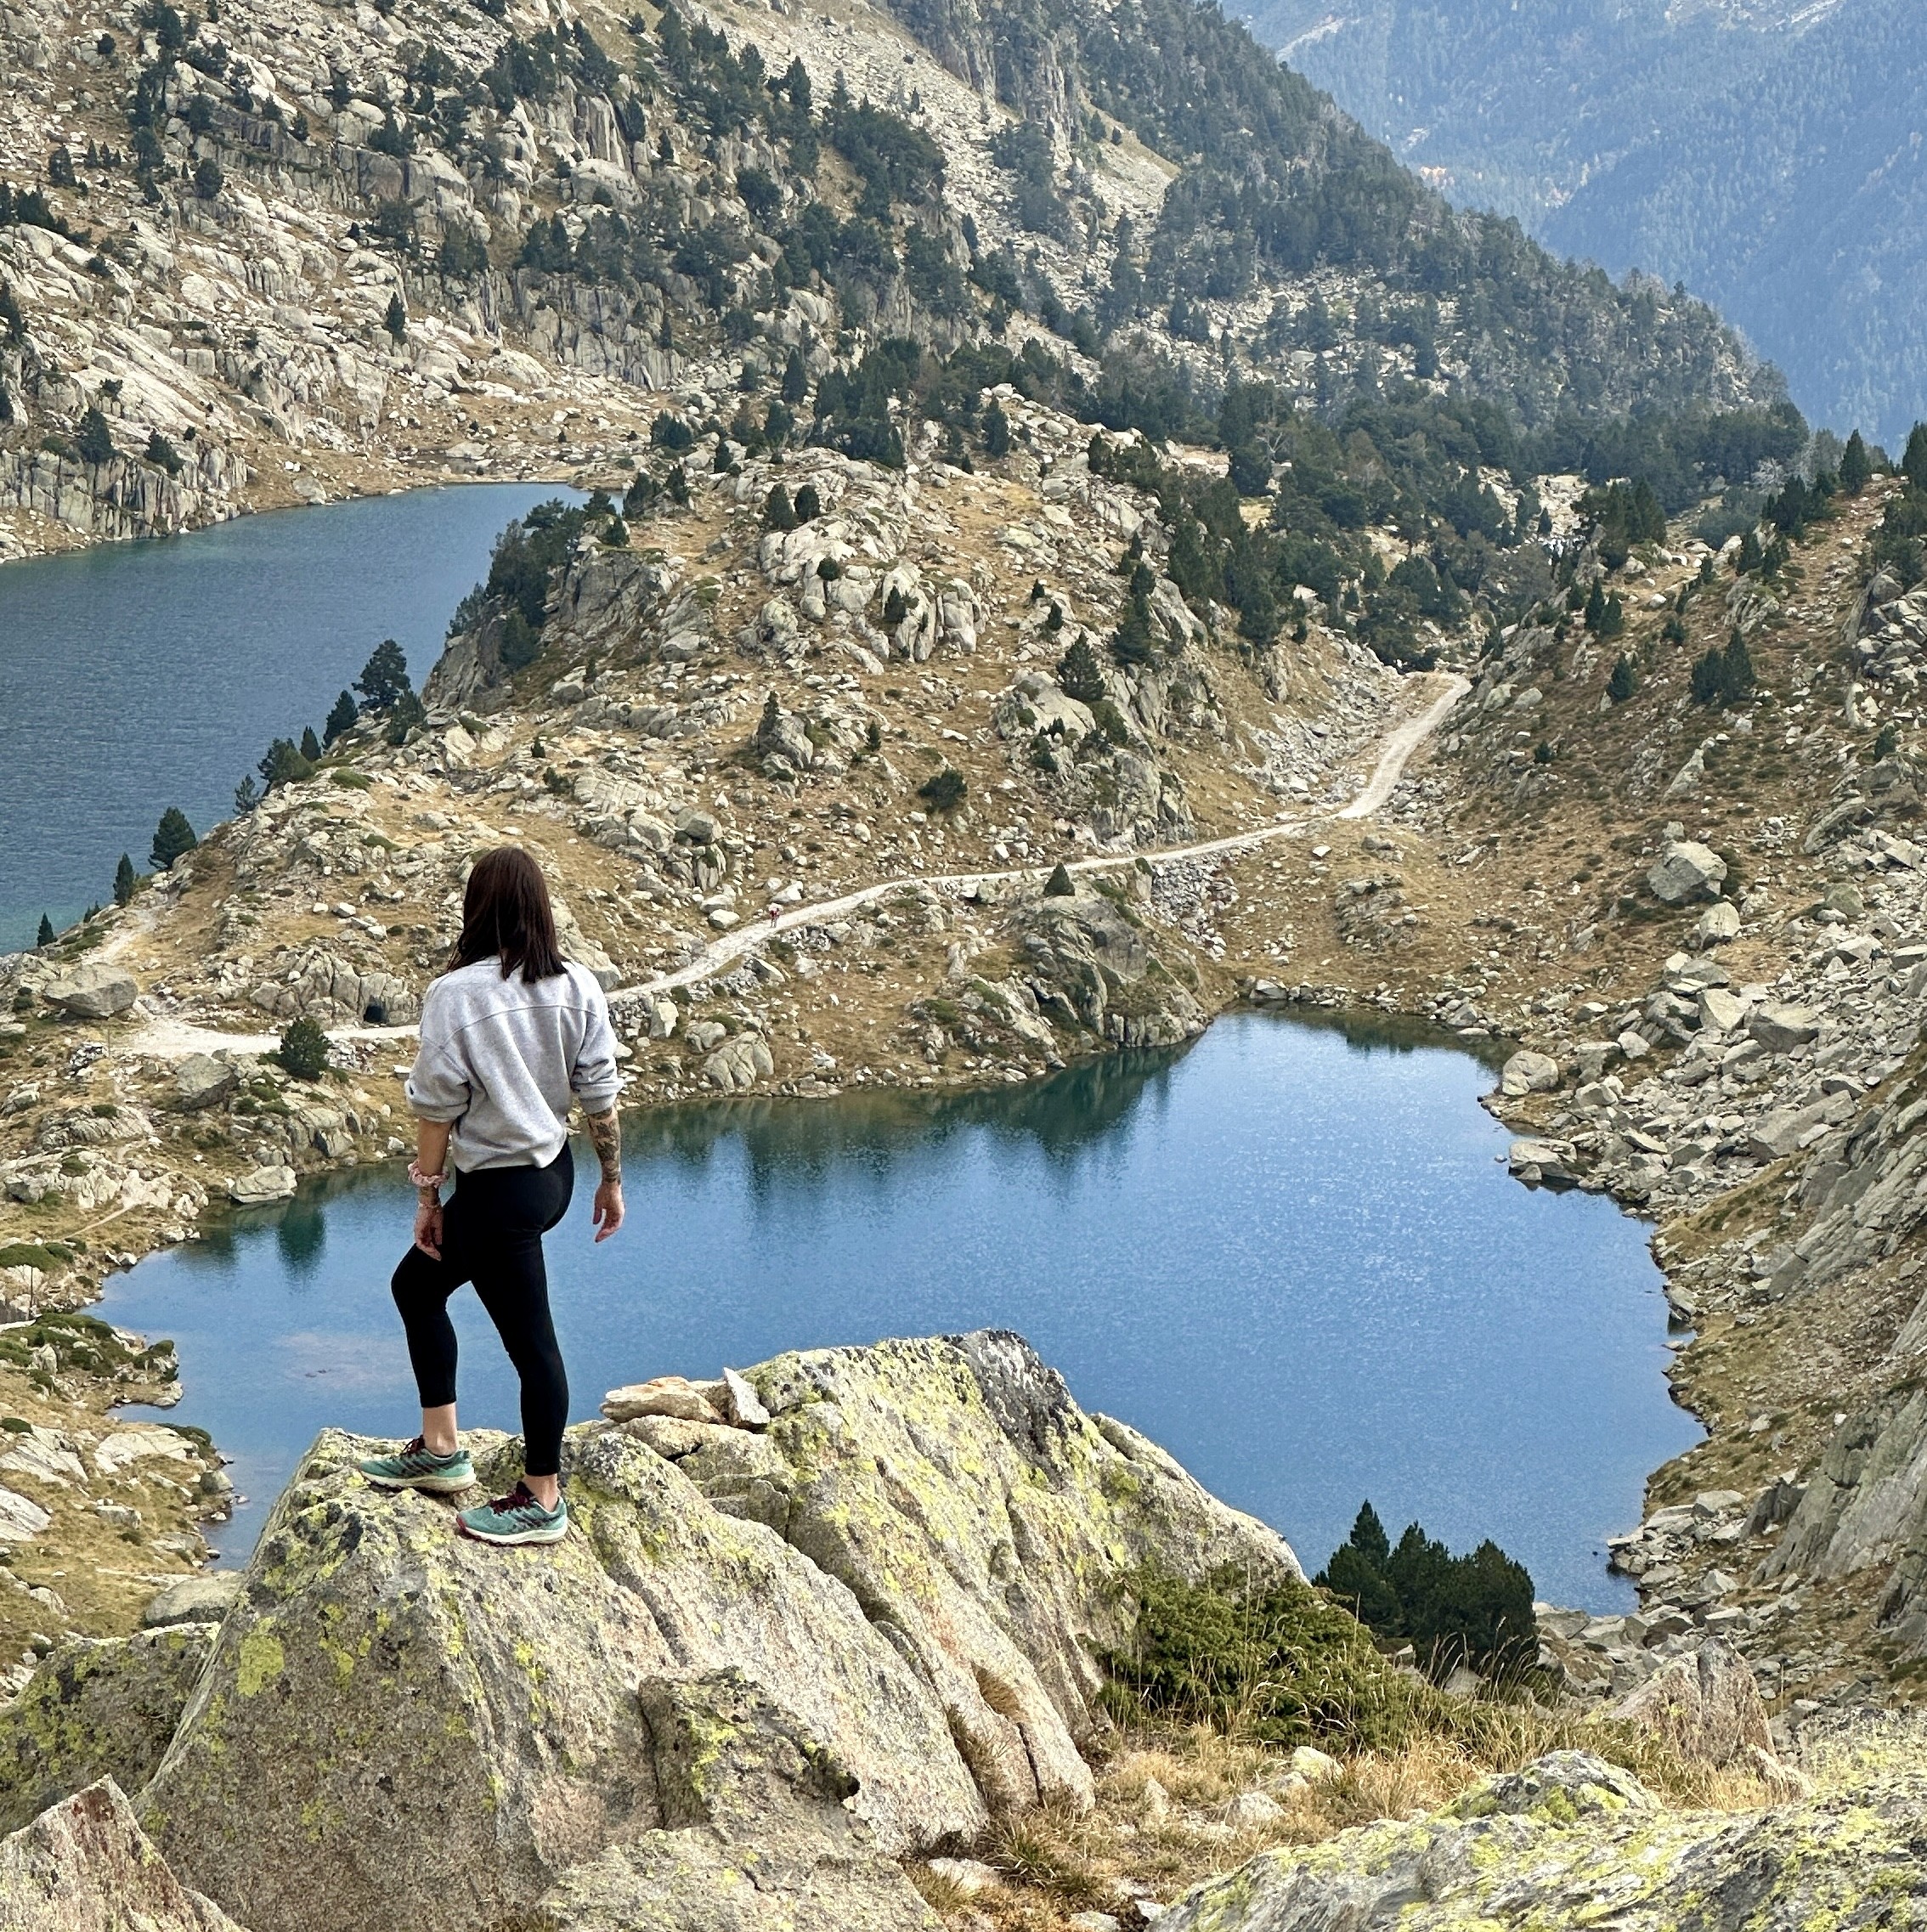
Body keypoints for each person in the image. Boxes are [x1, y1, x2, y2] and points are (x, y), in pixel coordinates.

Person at [358, 846, 625, 1546]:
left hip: (499, 1189)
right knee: (418, 1290)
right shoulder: (579, 985)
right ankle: (441, 1450)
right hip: (553, 1177)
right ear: (539, 906)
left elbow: (436, 1109)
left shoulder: (456, 995)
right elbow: (599, 1097)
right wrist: (613, 1180)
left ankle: (542, 1496)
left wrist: (427, 1199)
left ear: (476, 908)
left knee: (531, 1343)